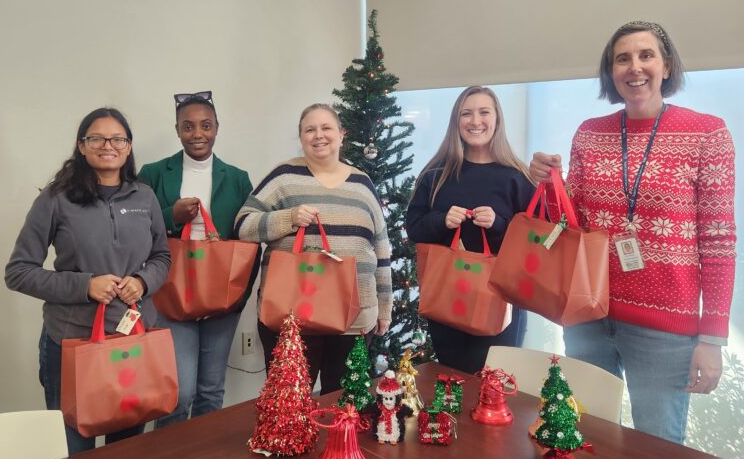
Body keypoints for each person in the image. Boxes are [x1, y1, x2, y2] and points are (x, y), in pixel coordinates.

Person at [530, 21, 736, 445]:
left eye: (646, 55)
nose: (634, 67)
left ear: (667, 65)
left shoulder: (707, 134)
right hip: (588, 314)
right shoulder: (590, 133)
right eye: (622, 58)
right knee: (584, 439)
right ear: (611, 71)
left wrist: (712, 338)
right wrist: (547, 185)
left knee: (657, 453)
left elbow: (718, 240)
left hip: (665, 328)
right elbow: (570, 226)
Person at [5, 107, 171, 455]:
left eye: (117, 138)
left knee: (124, 457)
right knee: (73, 455)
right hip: (72, 344)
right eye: (96, 138)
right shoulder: (55, 199)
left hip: (131, 343)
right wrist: (85, 286)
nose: (107, 145)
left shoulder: (144, 197)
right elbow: (18, 271)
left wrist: (142, 281)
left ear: (128, 146)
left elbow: (162, 257)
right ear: (81, 146)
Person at [235, 103, 392, 395]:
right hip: (292, 316)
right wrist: (288, 218)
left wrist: (385, 306)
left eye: (326, 128)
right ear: (301, 136)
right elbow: (243, 226)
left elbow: (381, 247)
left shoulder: (362, 184)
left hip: (354, 320)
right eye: (310, 129)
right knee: (289, 403)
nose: (318, 135)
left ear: (342, 134)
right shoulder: (283, 177)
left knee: (343, 403)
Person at [138, 91, 254, 425]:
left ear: (217, 127)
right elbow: (133, 228)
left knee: (210, 389)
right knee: (180, 391)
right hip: (173, 291)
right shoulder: (155, 173)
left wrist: (240, 293)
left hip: (221, 294)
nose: (197, 134)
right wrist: (170, 215)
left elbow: (246, 234)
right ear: (177, 130)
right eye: (188, 126)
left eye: (205, 125)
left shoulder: (237, 178)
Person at [406, 86, 536, 374]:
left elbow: (535, 243)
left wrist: (499, 224)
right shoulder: (435, 175)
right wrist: (441, 221)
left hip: (500, 303)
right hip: (447, 301)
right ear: (456, 122)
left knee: (493, 387)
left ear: (497, 120)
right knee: (453, 382)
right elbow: (413, 228)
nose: (475, 121)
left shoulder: (516, 177)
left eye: (483, 112)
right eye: (466, 113)